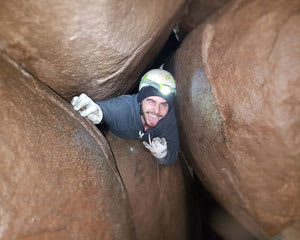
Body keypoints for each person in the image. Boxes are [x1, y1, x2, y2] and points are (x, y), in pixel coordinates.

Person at [71, 69, 179, 165]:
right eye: (151, 101)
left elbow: (173, 151)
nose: (157, 111)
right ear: (140, 100)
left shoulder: (167, 118)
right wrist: (99, 111)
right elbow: (110, 109)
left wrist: (163, 155)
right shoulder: (125, 107)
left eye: (164, 104)